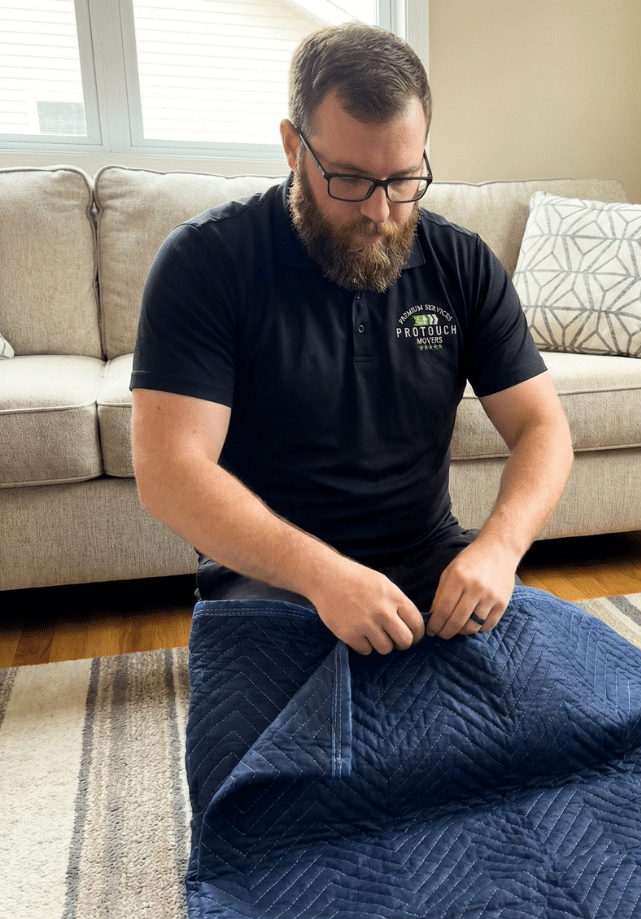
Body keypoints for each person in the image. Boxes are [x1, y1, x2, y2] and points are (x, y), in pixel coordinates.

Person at [130, 23, 573, 657]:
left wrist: (498, 548)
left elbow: (543, 427)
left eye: (402, 179)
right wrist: (322, 575)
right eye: (349, 180)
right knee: (292, 756)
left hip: (430, 563)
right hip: (267, 576)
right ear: (292, 146)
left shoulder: (463, 264)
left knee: (546, 724)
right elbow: (170, 471)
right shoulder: (206, 262)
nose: (379, 210)